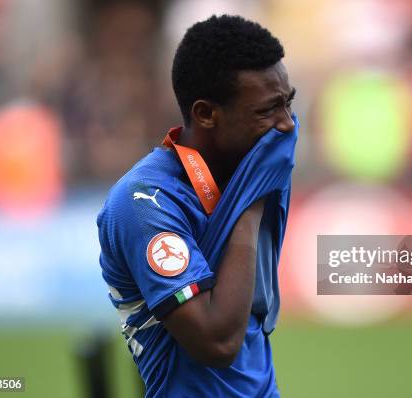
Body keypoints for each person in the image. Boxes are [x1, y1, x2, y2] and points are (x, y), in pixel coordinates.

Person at [97, 15, 297, 397]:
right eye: (267, 110)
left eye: (288, 103)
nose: (286, 125)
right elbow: (217, 342)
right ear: (206, 113)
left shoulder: (254, 157)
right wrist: (251, 199)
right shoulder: (143, 203)